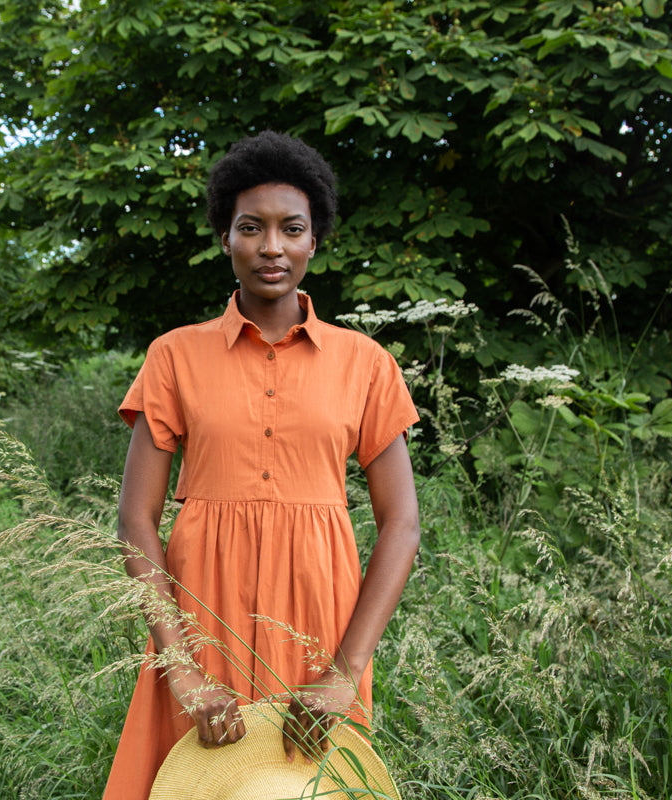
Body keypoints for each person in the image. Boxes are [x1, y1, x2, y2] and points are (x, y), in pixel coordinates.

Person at [105, 131, 421, 799]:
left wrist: (345, 668)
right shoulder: (174, 356)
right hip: (199, 620)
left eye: (291, 228)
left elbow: (402, 526)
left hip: (321, 625)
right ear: (226, 237)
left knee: (309, 789)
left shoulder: (366, 364)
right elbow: (136, 518)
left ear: (315, 241)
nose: (271, 246)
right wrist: (178, 665)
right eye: (251, 227)